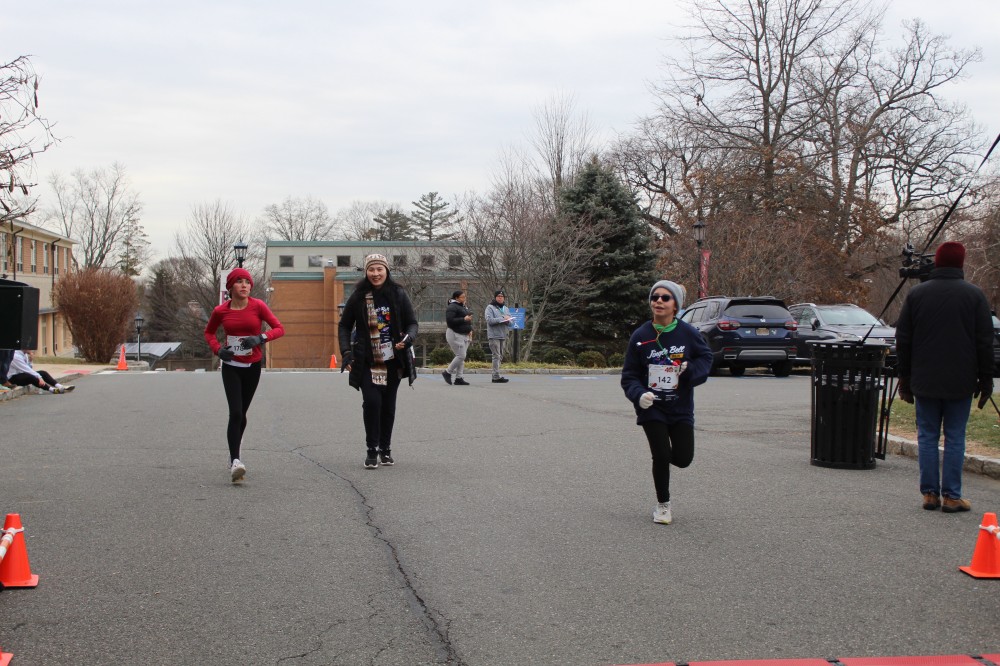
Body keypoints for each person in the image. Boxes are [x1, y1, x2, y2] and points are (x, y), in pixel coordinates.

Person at [895, 241, 994, 513]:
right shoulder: (974, 296)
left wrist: (904, 377)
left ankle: (929, 494)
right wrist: (986, 379)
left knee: (927, 435)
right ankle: (952, 496)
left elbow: (903, 340)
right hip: (961, 379)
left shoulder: (917, 294)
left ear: (937, 262)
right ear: (961, 263)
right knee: (955, 436)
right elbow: (985, 342)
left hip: (925, 378)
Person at [621, 279, 712, 525]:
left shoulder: (688, 333)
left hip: (680, 407)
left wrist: (689, 369)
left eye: (665, 298)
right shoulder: (640, 336)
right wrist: (639, 395)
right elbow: (629, 376)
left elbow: (705, 358)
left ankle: (664, 458)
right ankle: (663, 505)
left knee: (683, 459)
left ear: (675, 305)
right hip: (652, 407)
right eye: (655, 297)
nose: (658, 301)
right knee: (661, 455)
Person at [203, 267, 285, 483]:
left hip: (252, 366)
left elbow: (279, 328)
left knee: (243, 413)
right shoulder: (221, 311)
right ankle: (235, 461)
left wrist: (260, 338)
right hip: (231, 366)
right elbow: (209, 332)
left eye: (247, 282)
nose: (244, 285)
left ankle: (234, 451)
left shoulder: (258, 306)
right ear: (231, 287)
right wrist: (218, 350)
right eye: (239, 282)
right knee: (236, 413)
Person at [339, 254, 419, 469]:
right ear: (366, 272)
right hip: (367, 360)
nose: (375, 274)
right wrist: (346, 352)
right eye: (371, 269)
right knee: (372, 402)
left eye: (379, 269)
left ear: (386, 271)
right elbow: (344, 325)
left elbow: (412, 323)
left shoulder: (398, 293)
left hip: (393, 360)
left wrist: (408, 338)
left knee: (388, 407)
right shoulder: (359, 296)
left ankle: (385, 449)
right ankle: (371, 449)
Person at [7, 349, 76, 394]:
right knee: (30, 376)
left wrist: (31, 360)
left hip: (21, 375)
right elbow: (27, 370)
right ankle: (52, 390)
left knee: (43, 373)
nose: (32, 349)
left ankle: (59, 386)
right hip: (11, 379)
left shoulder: (24, 355)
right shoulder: (15, 356)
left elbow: (29, 368)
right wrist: (39, 377)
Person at [443, 290, 473, 386]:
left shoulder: (463, 306)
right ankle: (447, 372)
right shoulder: (452, 307)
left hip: (464, 334)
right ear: (456, 298)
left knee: (461, 357)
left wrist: (470, 329)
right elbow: (450, 321)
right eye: (462, 297)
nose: (464, 298)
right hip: (455, 333)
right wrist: (464, 319)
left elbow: (467, 321)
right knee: (461, 355)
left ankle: (459, 378)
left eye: (465, 297)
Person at [485, 289, 514, 383]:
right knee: (496, 356)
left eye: (502, 297)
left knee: (500, 356)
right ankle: (495, 377)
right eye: (498, 296)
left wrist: (508, 320)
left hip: (503, 335)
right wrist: (502, 318)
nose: (500, 298)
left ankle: (497, 374)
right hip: (494, 335)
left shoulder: (506, 308)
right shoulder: (490, 307)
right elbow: (489, 321)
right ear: (495, 297)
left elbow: (511, 323)